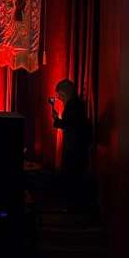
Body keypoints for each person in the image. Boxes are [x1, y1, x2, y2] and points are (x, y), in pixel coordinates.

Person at [51, 79, 92, 212]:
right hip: (77, 146)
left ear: (65, 92)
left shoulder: (73, 105)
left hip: (75, 147)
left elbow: (69, 124)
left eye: (60, 95)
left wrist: (57, 120)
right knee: (74, 176)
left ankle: (73, 207)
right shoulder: (76, 104)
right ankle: (73, 207)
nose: (60, 98)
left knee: (72, 176)